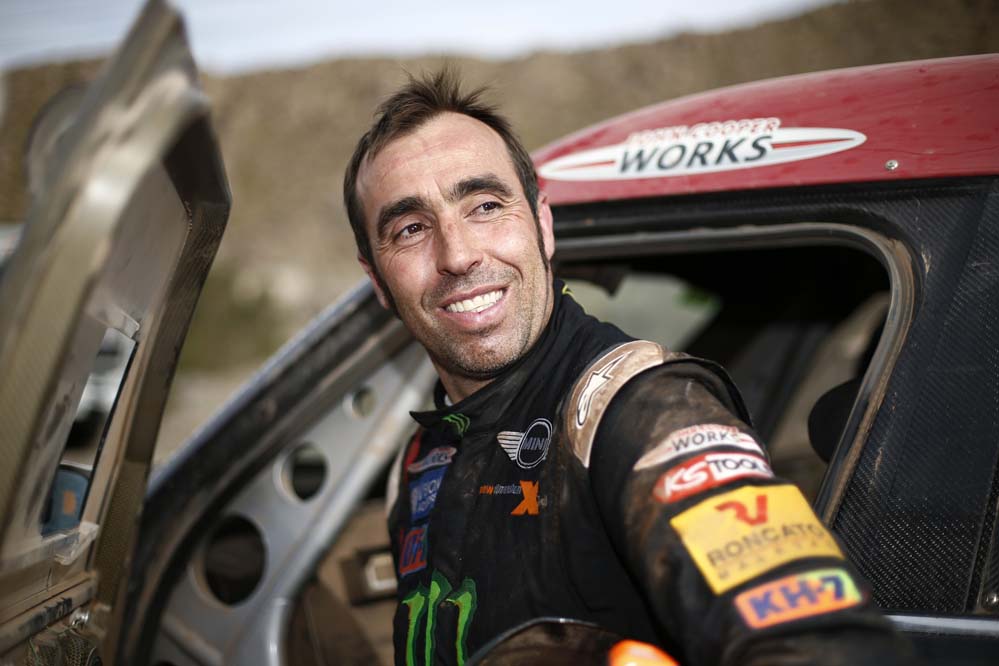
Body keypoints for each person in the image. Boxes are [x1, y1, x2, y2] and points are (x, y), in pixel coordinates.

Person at [343, 68, 917, 666]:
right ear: (377, 280)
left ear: (542, 225)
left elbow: (828, 646)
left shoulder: (641, 408)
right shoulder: (421, 459)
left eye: (485, 206)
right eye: (411, 229)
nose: (458, 254)